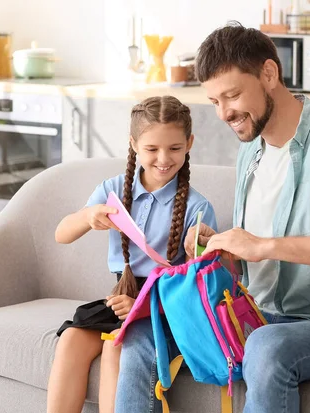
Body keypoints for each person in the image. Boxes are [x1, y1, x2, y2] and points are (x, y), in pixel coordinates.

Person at [114, 22, 310, 413]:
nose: (224, 113)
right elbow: (254, 263)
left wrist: (264, 247)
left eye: (232, 95)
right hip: (256, 313)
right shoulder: (252, 151)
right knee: (143, 334)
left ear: (268, 74)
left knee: (264, 344)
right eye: (214, 102)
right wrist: (224, 248)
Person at [47, 95, 218, 413]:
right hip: (122, 297)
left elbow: (200, 290)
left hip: (166, 307)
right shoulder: (113, 190)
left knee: (117, 348)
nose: (163, 158)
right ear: (134, 144)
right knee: (71, 338)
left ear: (189, 143)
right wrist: (88, 217)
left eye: (175, 148)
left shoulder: (198, 207)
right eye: (152, 149)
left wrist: (202, 245)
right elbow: (61, 234)